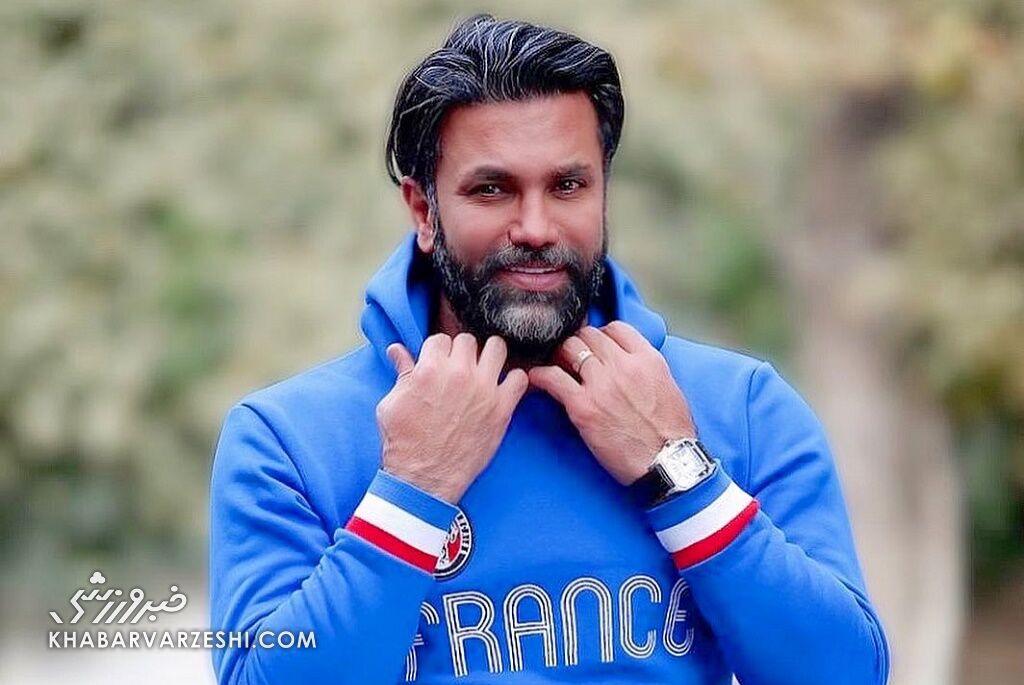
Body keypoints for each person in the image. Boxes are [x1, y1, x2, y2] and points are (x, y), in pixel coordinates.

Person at [209, 14, 890, 685]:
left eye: (567, 186)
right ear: (423, 211)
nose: (535, 227)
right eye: (492, 189)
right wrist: (414, 489)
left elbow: (846, 674)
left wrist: (679, 474)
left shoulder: (741, 407)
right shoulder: (288, 440)